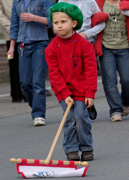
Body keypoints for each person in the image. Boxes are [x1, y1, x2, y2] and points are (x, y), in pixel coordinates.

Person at [45, 2, 97, 161]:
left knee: (80, 116)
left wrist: (90, 93)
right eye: (56, 23)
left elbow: (90, 71)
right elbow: (54, 74)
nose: (59, 26)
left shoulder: (85, 45)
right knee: (69, 119)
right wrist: (64, 94)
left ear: (74, 23)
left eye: (63, 22)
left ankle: (86, 147)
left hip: (82, 90)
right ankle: (71, 149)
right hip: (64, 91)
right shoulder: (51, 48)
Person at [57, 0, 106, 120]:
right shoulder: (62, 2)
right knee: (72, 74)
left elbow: (102, 23)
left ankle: (88, 102)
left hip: (85, 42)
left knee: (86, 74)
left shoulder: (90, 1)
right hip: (66, 44)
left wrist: (87, 34)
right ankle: (77, 103)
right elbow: (56, 22)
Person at [7, 0, 53, 126]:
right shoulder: (17, 2)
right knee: (25, 83)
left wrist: (34, 18)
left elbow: (52, 20)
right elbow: (14, 26)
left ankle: (38, 115)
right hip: (22, 45)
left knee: (38, 82)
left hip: (40, 43)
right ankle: (36, 108)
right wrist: (11, 47)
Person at [94, 0, 129, 121]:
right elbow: (91, 20)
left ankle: (126, 102)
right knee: (110, 80)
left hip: (125, 48)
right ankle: (115, 110)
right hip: (106, 48)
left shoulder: (126, 3)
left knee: (127, 79)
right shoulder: (98, 3)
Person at [0, 0, 26, 102]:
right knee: (14, 64)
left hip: (27, 32)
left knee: (26, 62)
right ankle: (16, 94)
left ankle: (28, 93)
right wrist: (12, 28)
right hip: (10, 33)